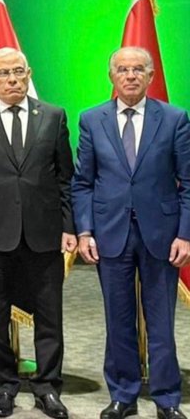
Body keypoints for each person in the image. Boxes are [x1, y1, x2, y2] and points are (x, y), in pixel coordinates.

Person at [0, 49, 75, 419]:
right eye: (4, 73)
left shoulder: (53, 116)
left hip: (44, 233)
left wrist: (69, 226)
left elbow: (65, 178)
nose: (12, 80)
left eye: (18, 72)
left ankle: (47, 388)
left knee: (50, 316)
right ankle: (3, 386)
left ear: (29, 73)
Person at [72, 46, 190, 419]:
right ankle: (123, 394)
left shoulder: (174, 119)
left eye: (138, 69)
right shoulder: (92, 120)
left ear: (151, 75)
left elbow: (188, 182)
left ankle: (167, 398)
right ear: (112, 76)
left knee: (161, 322)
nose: (130, 75)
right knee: (118, 318)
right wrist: (85, 231)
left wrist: (185, 235)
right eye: (122, 69)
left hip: (162, 235)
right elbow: (83, 183)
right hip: (110, 234)